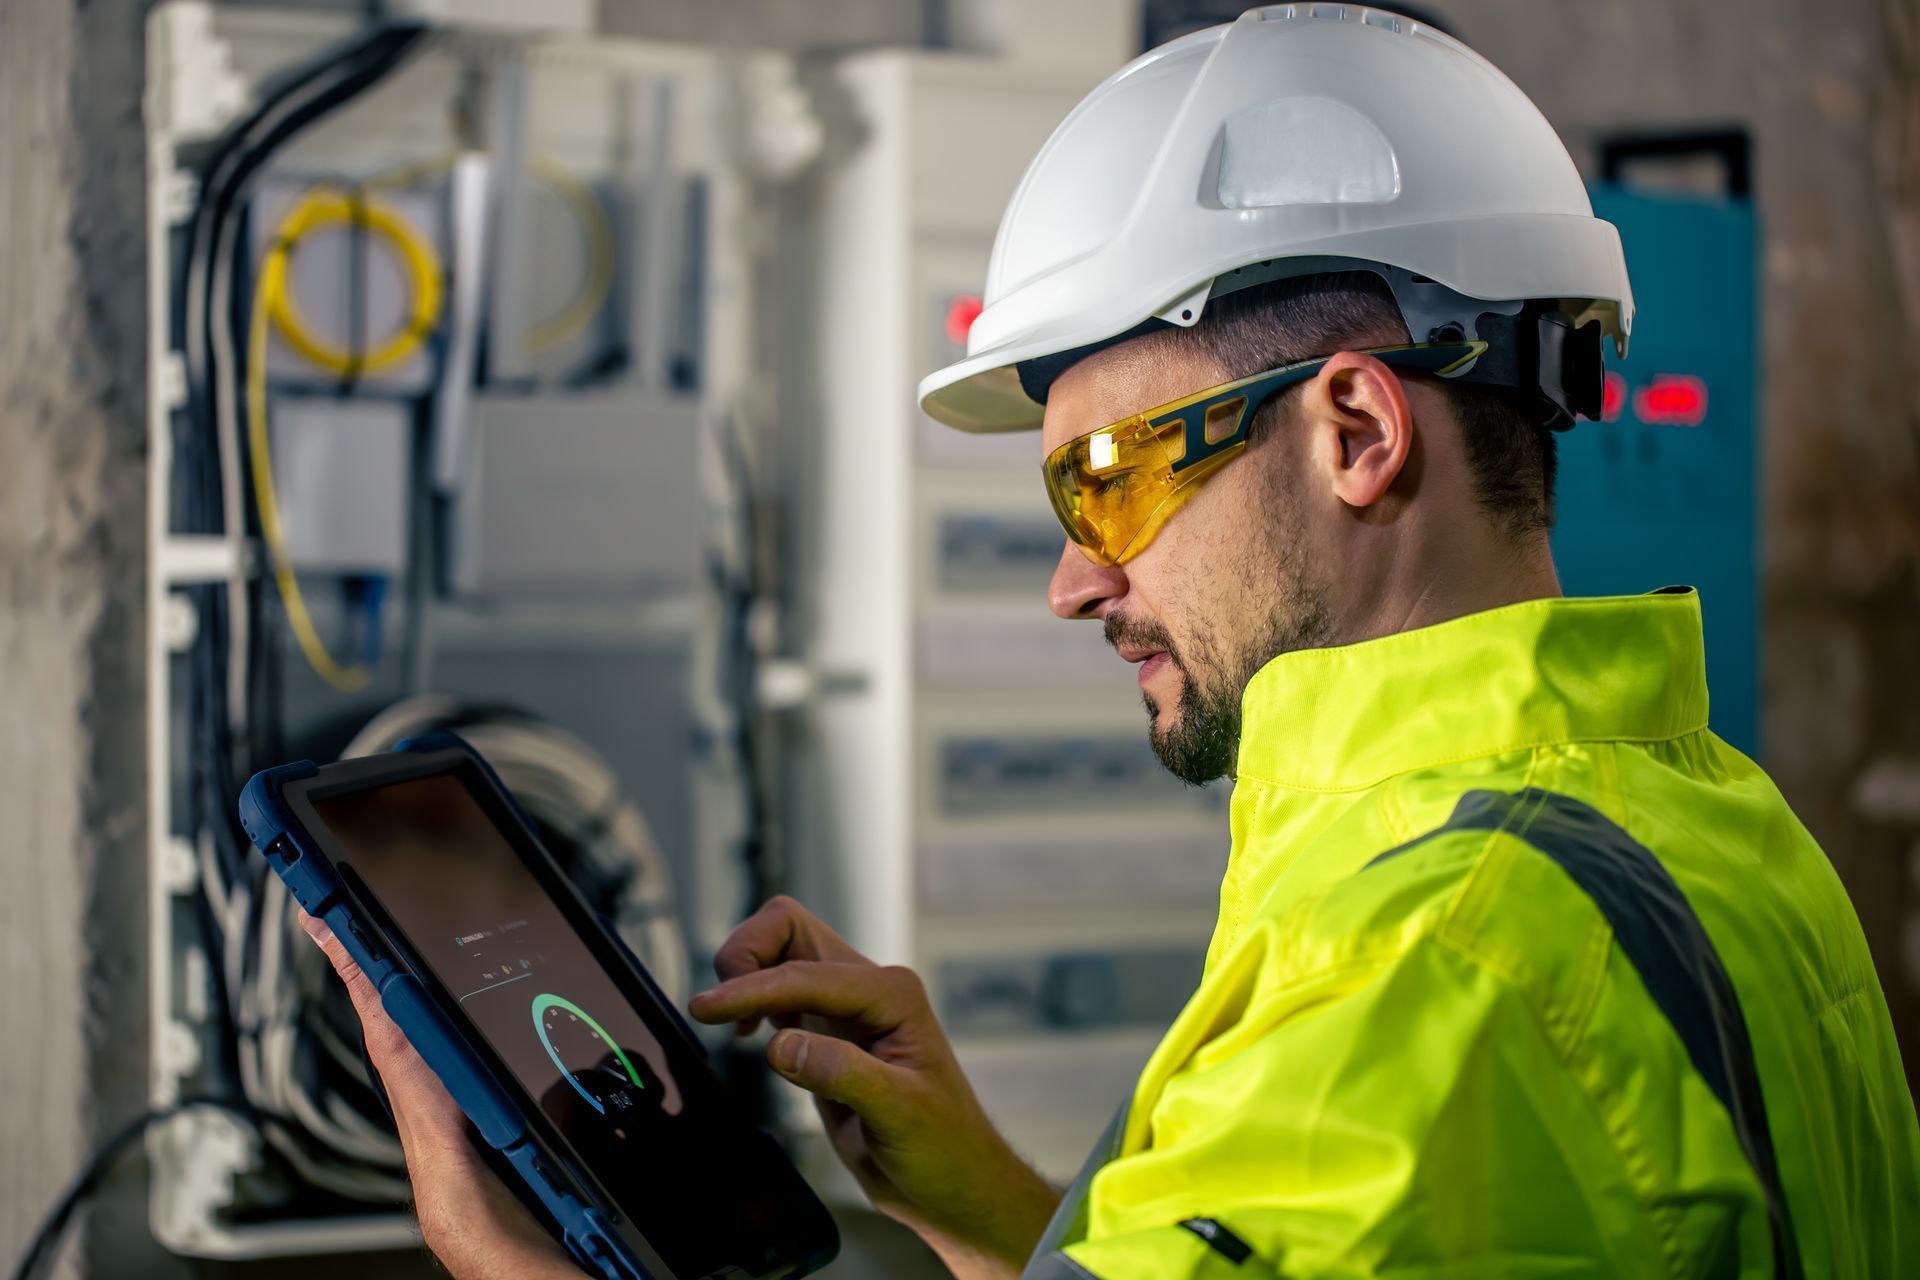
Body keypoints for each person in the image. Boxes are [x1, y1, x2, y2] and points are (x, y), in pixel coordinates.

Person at [305, 8, 1920, 1277]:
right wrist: (998, 1206)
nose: (1077, 584)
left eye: (1109, 479)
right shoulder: (1716, 824)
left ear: (1354, 429)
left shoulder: (1433, 980)